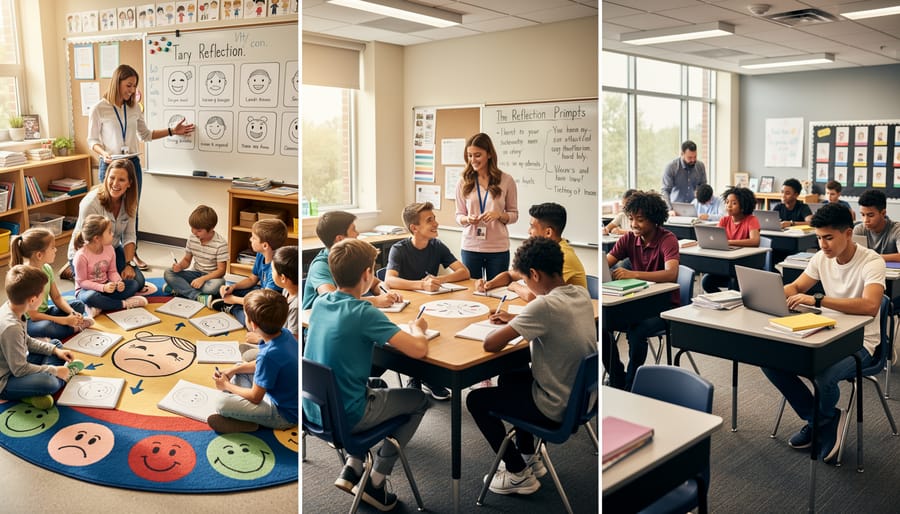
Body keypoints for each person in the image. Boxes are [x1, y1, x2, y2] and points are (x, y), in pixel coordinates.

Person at [303, 238, 431, 512]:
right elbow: (418, 350)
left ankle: (354, 464)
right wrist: (417, 327)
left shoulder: (322, 303)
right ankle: (377, 479)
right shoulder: (363, 313)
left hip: (315, 411)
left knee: (376, 383)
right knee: (418, 400)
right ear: (367, 274)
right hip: (347, 416)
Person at [466, 236, 595, 496]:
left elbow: (491, 345)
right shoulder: (580, 293)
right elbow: (550, 319)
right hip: (582, 400)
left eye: (524, 279)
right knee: (512, 378)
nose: (525, 283)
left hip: (555, 406)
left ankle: (516, 473)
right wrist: (517, 318)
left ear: (534, 274)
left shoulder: (543, 305)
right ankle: (528, 456)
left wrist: (516, 321)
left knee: (475, 400)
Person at [762, 203, 884, 464]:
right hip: (826, 333)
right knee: (770, 361)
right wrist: (762, 295)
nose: (822, 244)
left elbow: (871, 306)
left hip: (862, 342)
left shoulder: (872, 261)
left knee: (824, 375)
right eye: (818, 238)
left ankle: (820, 419)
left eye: (828, 238)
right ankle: (823, 419)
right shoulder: (820, 258)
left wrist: (818, 300)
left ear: (848, 234)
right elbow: (796, 286)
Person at [87, 64, 194, 271]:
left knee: (131, 210)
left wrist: (173, 130)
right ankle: (103, 253)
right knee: (107, 211)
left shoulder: (134, 107)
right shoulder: (99, 108)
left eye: (135, 86)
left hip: (132, 164)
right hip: (111, 165)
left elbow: (145, 135)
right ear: (117, 82)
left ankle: (131, 254)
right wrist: (103, 153)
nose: (132, 90)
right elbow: (91, 140)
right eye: (129, 85)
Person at [385, 201, 469, 400]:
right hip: (407, 307)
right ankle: (417, 377)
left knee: (443, 330)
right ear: (414, 228)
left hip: (431, 304)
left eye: (434, 219)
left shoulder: (437, 245)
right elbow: (389, 279)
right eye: (430, 220)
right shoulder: (399, 249)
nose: (436, 223)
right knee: (418, 330)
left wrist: (439, 279)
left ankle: (429, 377)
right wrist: (420, 285)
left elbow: (464, 272)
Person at [603, 191, 679, 390]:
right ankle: (617, 375)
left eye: (640, 220)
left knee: (637, 331)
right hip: (635, 302)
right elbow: (607, 264)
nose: (634, 224)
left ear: (655, 220)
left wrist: (633, 274)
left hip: (663, 306)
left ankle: (631, 384)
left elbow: (671, 274)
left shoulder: (667, 239)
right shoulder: (629, 238)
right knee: (600, 326)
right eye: (631, 219)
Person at [208, 289, 297, 434]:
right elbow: (260, 365)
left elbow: (256, 397)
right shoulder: (285, 333)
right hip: (281, 396)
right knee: (239, 367)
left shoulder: (268, 355)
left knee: (221, 403)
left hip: (283, 415)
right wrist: (233, 371)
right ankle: (244, 413)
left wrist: (227, 385)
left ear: (253, 325)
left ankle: (249, 422)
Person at [0, 265, 84, 410]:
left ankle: (31, 393)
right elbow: (20, 370)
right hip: (5, 381)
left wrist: (55, 351)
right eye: (42, 294)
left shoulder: (12, 308)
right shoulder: (11, 327)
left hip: (15, 364)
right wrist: (55, 371)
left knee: (56, 345)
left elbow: (27, 341)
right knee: (49, 383)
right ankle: (59, 379)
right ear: (33, 300)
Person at [477, 202, 587, 302]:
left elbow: (535, 296)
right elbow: (510, 275)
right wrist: (490, 284)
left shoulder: (563, 256)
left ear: (548, 232)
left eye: (532, 227)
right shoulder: (540, 251)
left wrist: (515, 286)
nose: (528, 231)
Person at [65, 159, 146, 293]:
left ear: (129, 183)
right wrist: (105, 276)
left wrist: (127, 265)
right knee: (97, 289)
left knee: (138, 282)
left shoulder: (131, 202)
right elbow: (86, 240)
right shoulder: (90, 203)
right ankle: (73, 269)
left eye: (121, 180)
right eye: (112, 178)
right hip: (87, 252)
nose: (115, 184)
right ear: (106, 177)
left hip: (111, 250)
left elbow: (129, 236)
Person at [302, 211, 401, 311]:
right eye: (353, 229)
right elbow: (333, 301)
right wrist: (375, 301)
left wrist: (386, 292)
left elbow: (375, 283)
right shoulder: (320, 266)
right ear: (340, 239)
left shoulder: (351, 257)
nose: (357, 233)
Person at [455, 133, 518, 280]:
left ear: (489, 154)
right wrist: (467, 219)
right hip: (471, 246)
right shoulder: (463, 181)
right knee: (471, 291)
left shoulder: (506, 180)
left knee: (497, 291)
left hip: (498, 248)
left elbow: (514, 214)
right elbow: (458, 215)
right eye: (469, 155)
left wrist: (499, 215)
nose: (472, 160)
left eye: (477, 155)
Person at [10, 229, 93, 339]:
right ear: (39, 255)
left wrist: (72, 313)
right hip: (29, 321)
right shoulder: (26, 277)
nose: (56, 250)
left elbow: (57, 297)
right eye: (52, 247)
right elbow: (34, 316)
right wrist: (63, 320)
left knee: (78, 306)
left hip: (46, 312)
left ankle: (67, 325)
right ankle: (73, 328)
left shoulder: (47, 268)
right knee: (47, 327)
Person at [211, 219, 287, 326]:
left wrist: (234, 300)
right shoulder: (261, 254)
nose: (250, 239)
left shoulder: (275, 269)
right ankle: (233, 302)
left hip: (270, 304)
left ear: (265, 245)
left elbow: (263, 301)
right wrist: (234, 287)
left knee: (252, 324)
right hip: (262, 292)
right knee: (230, 288)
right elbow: (252, 279)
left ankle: (233, 308)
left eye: (254, 238)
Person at [73, 214, 147, 317]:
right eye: (109, 232)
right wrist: (103, 287)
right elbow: (82, 282)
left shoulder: (110, 249)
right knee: (90, 297)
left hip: (107, 287)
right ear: (97, 238)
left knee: (133, 284)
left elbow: (112, 271)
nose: (112, 234)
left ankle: (99, 306)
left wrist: (118, 282)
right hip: (86, 290)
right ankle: (123, 304)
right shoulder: (81, 256)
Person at [241, 245, 298, 361]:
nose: (271, 273)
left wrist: (261, 339)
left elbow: (293, 342)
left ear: (283, 278)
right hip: (277, 336)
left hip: (285, 350)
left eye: (272, 270)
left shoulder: (296, 305)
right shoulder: (287, 289)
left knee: (248, 357)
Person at [163, 204, 227, 306]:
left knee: (216, 286)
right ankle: (196, 296)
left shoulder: (221, 244)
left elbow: (221, 271)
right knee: (168, 273)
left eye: (199, 230)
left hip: (211, 278)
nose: (194, 232)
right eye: (192, 228)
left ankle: (179, 289)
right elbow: (187, 261)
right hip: (195, 274)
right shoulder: (192, 238)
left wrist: (203, 279)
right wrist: (180, 266)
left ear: (211, 229)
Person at [701, 187, 760, 293]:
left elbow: (755, 241)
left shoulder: (751, 220)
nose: (728, 205)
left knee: (734, 282)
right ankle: (723, 302)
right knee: (706, 281)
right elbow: (717, 239)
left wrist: (729, 242)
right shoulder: (724, 220)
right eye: (727, 202)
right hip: (726, 263)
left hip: (743, 265)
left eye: (734, 203)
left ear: (743, 206)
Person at [854, 189, 900, 262]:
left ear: (883, 213)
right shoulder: (859, 230)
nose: (865, 220)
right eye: (863, 215)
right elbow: (853, 256)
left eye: (870, 215)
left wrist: (873, 257)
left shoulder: (897, 229)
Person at [661, 140, 707, 210]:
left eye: (695, 157)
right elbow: (665, 191)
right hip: (675, 209)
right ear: (682, 154)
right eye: (690, 157)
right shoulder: (671, 167)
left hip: (696, 208)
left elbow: (703, 187)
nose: (693, 160)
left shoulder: (700, 166)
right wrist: (670, 209)